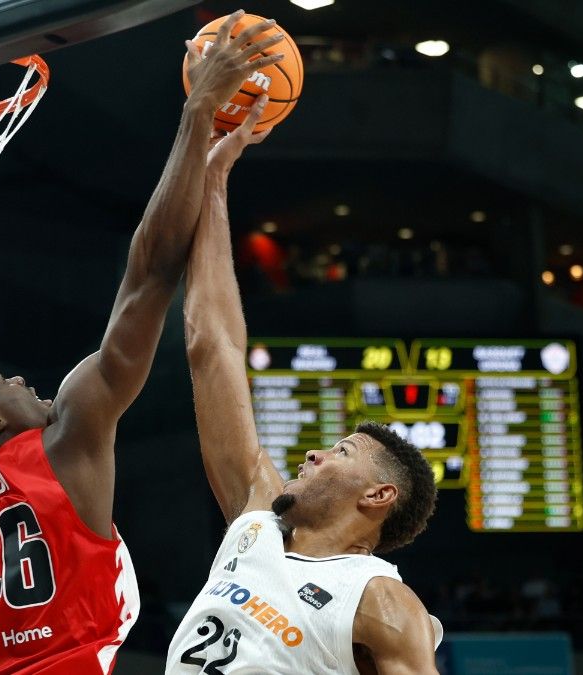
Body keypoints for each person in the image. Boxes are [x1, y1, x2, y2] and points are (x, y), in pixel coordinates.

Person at [0, 11, 286, 674]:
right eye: (2, 382)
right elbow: (151, 271)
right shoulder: (67, 436)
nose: (22, 382)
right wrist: (198, 113)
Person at [166, 98, 442, 674]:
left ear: (378, 496)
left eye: (341, 452)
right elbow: (212, 346)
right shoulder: (256, 521)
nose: (314, 452)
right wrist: (214, 177)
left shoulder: (379, 601)